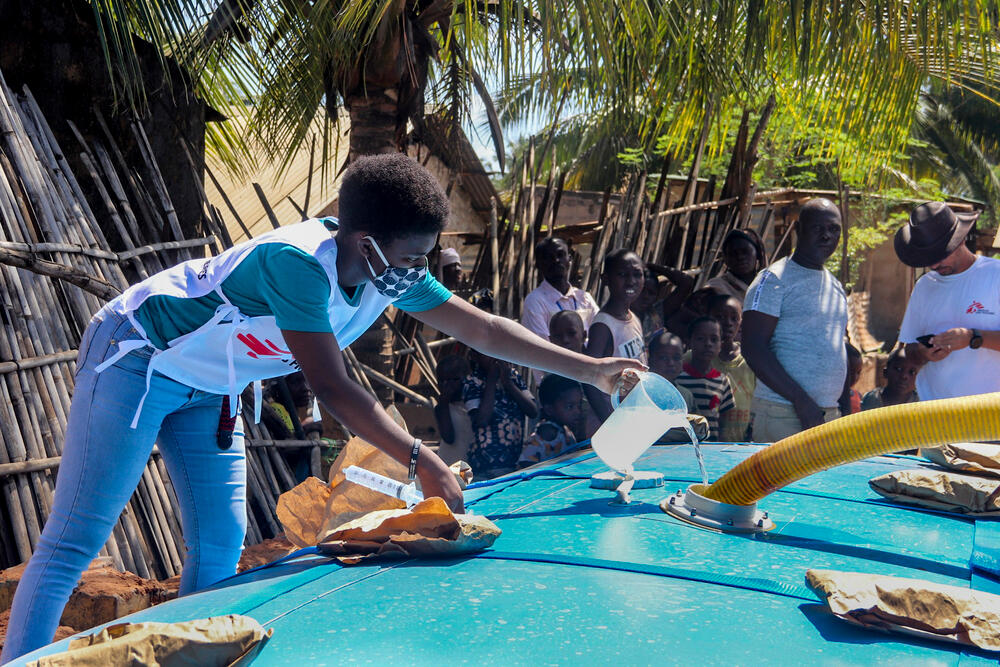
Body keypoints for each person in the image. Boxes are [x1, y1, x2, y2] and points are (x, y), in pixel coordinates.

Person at [1, 153, 643, 662]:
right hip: (139, 359)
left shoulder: (391, 269)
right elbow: (335, 388)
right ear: (364, 240)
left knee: (221, 543)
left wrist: (593, 368)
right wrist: (421, 457)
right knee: (76, 538)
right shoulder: (297, 266)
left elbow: (483, 329)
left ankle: (195, 656)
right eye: (413, 257)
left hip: (214, 386)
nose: (419, 271)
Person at [742, 198, 848, 442]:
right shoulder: (773, 279)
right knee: (777, 482)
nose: (826, 236)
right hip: (783, 413)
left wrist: (843, 411)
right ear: (798, 230)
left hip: (827, 415)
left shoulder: (836, 286)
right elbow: (753, 347)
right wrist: (801, 401)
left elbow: (837, 350)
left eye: (834, 229)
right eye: (817, 228)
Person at [894, 201, 1000, 400]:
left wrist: (973, 337)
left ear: (960, 240)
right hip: (935, 415)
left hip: (990, 416)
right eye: (927, 258)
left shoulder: (996, 275)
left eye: (941, 255)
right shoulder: (924, 285)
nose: (934, 264)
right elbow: (909, 351)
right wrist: (923, 353)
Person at [585, 248, 648, 420]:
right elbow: (589, 378)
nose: (631, 281)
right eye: (622, 274)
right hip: (615, 418)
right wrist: (610, 422)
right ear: (606, 279)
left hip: (633, 416)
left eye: (637, 274)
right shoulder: (603, 326)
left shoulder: (633, 317)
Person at [463, 349, 538, 478]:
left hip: (514, 464)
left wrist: (508, 383)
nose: (495, 357)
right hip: (484, 467)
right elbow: (482, 420)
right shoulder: (472, 382)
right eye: (488, 352)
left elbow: (533, 411)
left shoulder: (513, 377)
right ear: (475, 356)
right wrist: (491, 380)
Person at [520, 237, 600, 342]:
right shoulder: (535, 301)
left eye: (560, 255)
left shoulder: (584, 298)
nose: (556, 260)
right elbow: (544, 346)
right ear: (538, 265)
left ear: (570, 259)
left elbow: (599, 335)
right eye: (548, 257)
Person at [701, 294, 755, 441]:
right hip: (706, 443)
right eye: (720, 316)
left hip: (741, 443)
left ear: (741, 322)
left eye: (734, 318)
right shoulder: (695, 357)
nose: (728, 323)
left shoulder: (751, 359)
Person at [675, 317, 735, 440]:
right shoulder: (678, 378)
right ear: (689, 342)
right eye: (700, 339)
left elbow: (724, 422)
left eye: (714, 339)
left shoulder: (723, 381)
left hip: (712, 448)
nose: (708, 344)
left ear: (720, 344)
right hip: (683, 446)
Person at [548, 310, 601, 439]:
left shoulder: (598, 371)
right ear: (550, 340)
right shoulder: (551, 381)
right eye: (558, 336)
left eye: (571, 334)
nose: (565, 340)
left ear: (584, 336)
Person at [518, 374, 583, 467]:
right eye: (570, 406)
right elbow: (525, 462)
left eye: (579, 405)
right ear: (549, 409)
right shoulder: (548, 433)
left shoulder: (563, 429)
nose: (578, 411)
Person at [433, 355, 475, 465]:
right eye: (442, 381)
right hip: (451, 465)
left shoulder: (475, 405)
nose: (446, 385)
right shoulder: (442, 408)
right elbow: (448, 437)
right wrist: (444, 402)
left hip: (474, 466)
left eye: (454, 379)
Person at [705, 228, 768, 301]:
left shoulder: (769, 286)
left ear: (757, 254)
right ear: (725, 259)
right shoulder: (716, 288)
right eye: (733, 253)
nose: (740, 257)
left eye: (745, 252)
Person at [647, 330, 695, 412]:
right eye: (663, 358)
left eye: (676, 358)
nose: (671, 363)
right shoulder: (642, 391)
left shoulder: (685, 395)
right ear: (650, 360)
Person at [861, 346, 919, 410]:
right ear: (885, 372)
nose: (904, 376)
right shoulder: (872, 400)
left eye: (912, 372)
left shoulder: (921, 403)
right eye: (898, 369)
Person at [838, 343, 863, 416]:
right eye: (850, 372)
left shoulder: (858, 397)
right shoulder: (832, 400)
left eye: (858, 372)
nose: (855, 377)